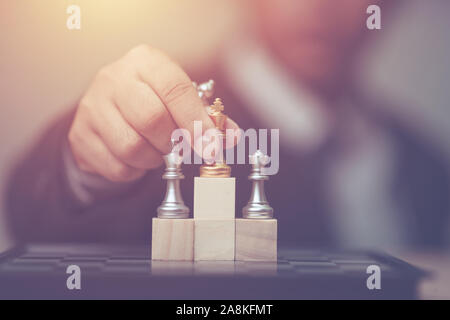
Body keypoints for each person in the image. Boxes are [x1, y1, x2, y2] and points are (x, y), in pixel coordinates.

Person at [6, 0, 449, 248]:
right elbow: (34, 218)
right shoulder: (155, 115)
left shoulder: (426, 165)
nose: (318, 5)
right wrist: (83, 168)